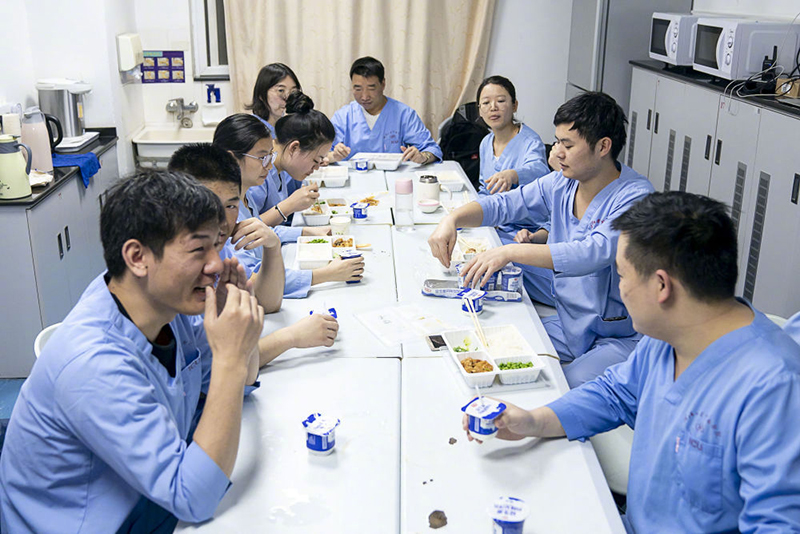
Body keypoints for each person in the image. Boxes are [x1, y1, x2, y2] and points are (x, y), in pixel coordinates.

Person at [466, 192, 800, 533]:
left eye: (622, 276)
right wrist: (533, 421)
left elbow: (778, 525)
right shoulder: (670, 334)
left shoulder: (774, 387)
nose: (620, 290)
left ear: (661, 286)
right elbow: (614, 395)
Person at [0, 171, 265, 532]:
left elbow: (241, 383)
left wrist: (237, 325)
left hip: (145, 491)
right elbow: (193, 498)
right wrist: (231, 358)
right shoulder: (93, 363)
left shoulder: (164, 304)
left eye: (216, 246)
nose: (216, 264)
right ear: (137, 257)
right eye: (198, 250)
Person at [429, 92, 654, 387]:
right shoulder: (563, 182)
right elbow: (506, 204)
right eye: (557, 142)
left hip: (618, 336)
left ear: (603, 146)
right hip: (571, 323)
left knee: (561, 387)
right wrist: (452, 219)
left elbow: (592, 253)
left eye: (567, 145)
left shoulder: (635, 196)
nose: (557, 153)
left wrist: (510, 252)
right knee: (497, 348)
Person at [169, 143, 340, 365]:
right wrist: (290, 337)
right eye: (209, 206)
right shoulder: (174, 280)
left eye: (231, 206)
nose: (221, 220)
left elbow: (267, 303)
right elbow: (221, 364)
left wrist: (273, 247)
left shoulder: (219, 247)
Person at [210, 114, 364, 298]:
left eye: (270, 156)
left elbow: (260, 230)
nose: (269, 166)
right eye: (263, 158)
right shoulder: (224, 214)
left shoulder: (244, 197)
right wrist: (328, 274)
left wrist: (307, 232)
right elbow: (254, 281)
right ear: (231, 159)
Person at [327, 56, 442, 164]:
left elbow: (432, 150)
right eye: (358, 89)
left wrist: (423, 157)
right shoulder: (343, 116)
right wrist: (333, 156)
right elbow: (322, 154)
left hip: (394, 177)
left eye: (371, 88)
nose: (364, 96)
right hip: (354, 177)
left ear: (383, 84)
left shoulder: (404, 114)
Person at [476, 75, 549, 196]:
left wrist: (514, 175)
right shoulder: (485, 143)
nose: (493, 107)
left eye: (500, 101)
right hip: (491, 206)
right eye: (486, 102)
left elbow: (539, 171)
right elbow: (485, 188)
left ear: (514, 106)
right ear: (479, 110)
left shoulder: (531, 142)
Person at [246, 62, 302, 138]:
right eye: (281, 90)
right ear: (261, 94)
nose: (288, 98)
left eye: (293, 92)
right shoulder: (251, 129)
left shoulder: (295, 126)